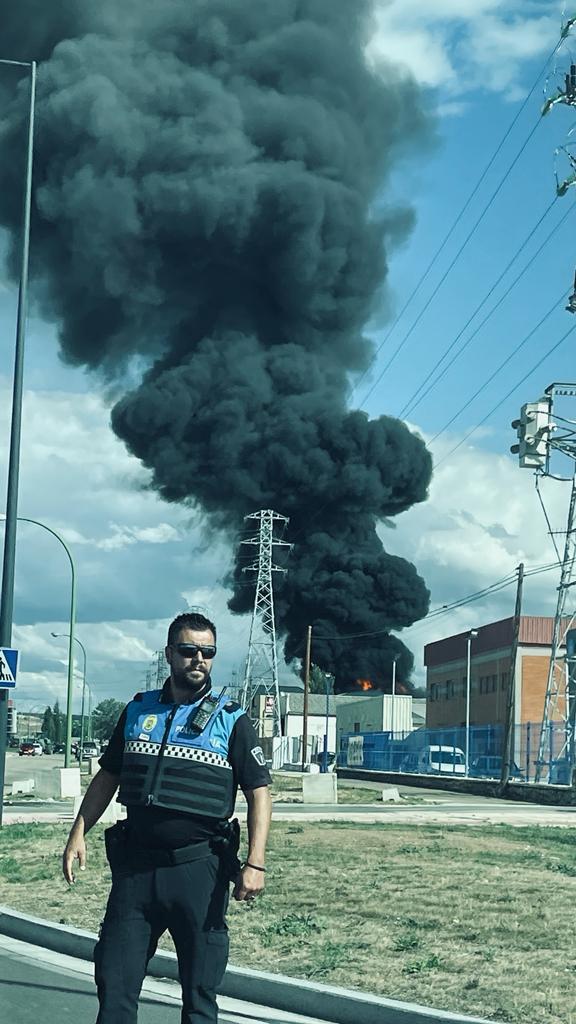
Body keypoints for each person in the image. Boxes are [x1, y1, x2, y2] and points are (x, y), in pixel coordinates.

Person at [62, 611, 272, 1024]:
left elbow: (259, 794)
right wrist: (78, 832)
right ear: (170, 654)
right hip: (136, 872)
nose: (199, 659)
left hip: (199, 870)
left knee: (199, 996)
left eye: (207, 652)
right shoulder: (139, 710)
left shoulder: (230, 719)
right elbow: (108, 775)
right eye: (189, 650)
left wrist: (255, 861)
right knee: (114, 983)